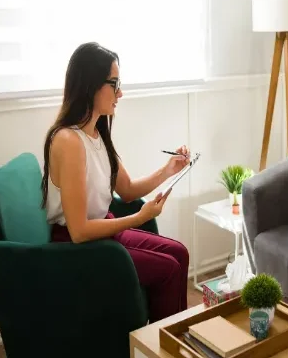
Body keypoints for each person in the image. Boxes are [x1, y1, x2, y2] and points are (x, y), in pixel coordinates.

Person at [40, 42, 190, 323]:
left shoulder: (97, 133)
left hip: (103, 235)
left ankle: (172, 342)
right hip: (77, 249)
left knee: (179, 253)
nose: (120, 93)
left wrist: (168, 170)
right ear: (91, 84)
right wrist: (137, 218)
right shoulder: (68, 141)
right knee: (168, 269)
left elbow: (129, 190)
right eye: (115, 83)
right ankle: (161, 348)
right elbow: (79, 231)